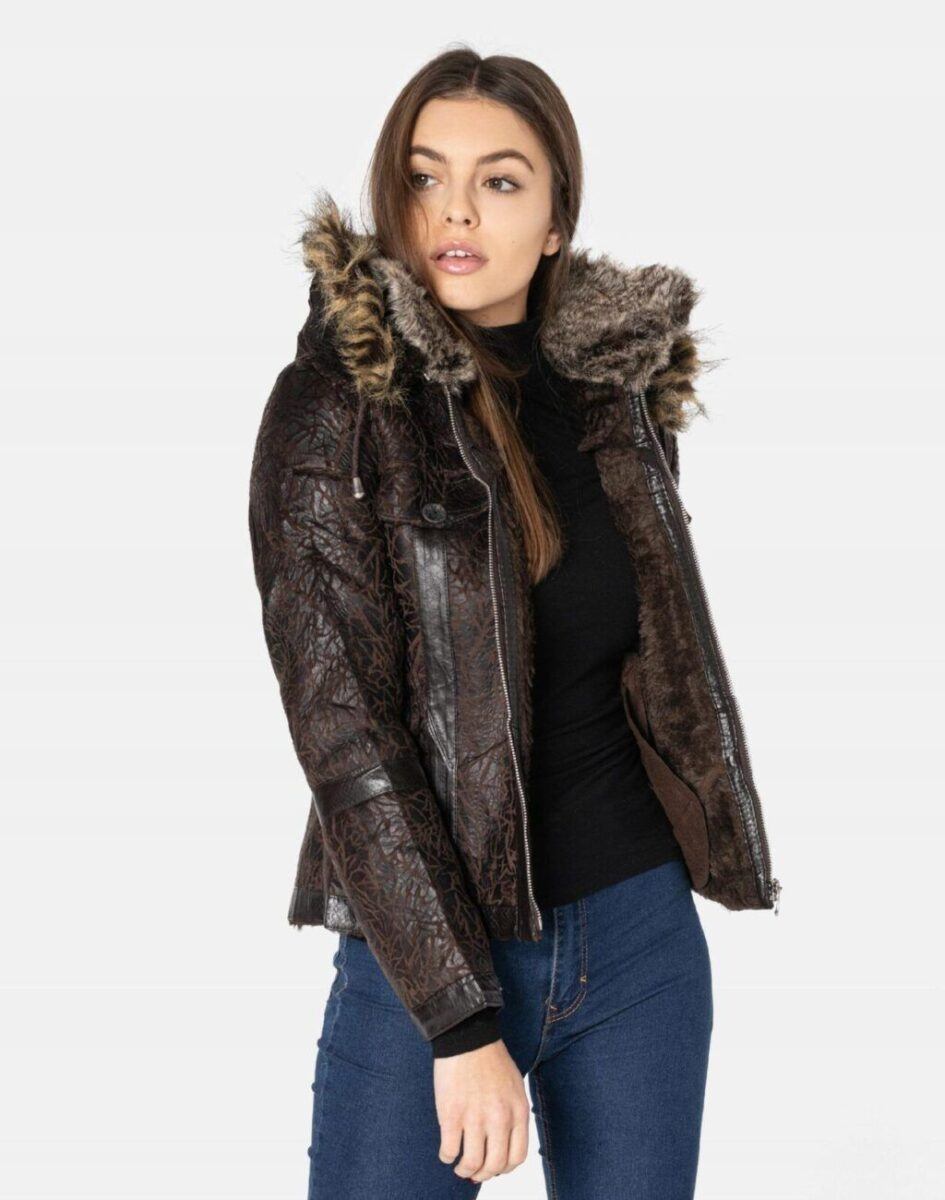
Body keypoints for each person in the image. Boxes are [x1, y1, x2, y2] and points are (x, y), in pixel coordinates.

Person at [248, 45, 780, 1200]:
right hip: (427, 961)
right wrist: (457, 1020)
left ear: (554, 221)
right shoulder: (336, 411)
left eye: (498, 180)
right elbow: (347, 734)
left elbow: (646, 659)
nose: (455, 210)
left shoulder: (614, 399)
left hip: (639, 940)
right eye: (424, 176)